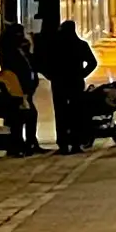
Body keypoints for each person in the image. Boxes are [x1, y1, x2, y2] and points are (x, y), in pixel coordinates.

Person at [36, 15, 97, 154]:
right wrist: (82, 74)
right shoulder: (80, 45)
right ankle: (76, 142)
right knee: (76, 113)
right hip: (75, 83)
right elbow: (93, 62)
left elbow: (43, 63)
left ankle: (63, 144)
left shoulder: (55, 47)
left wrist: (50, 76)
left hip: (59, 83)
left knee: (61, 113)